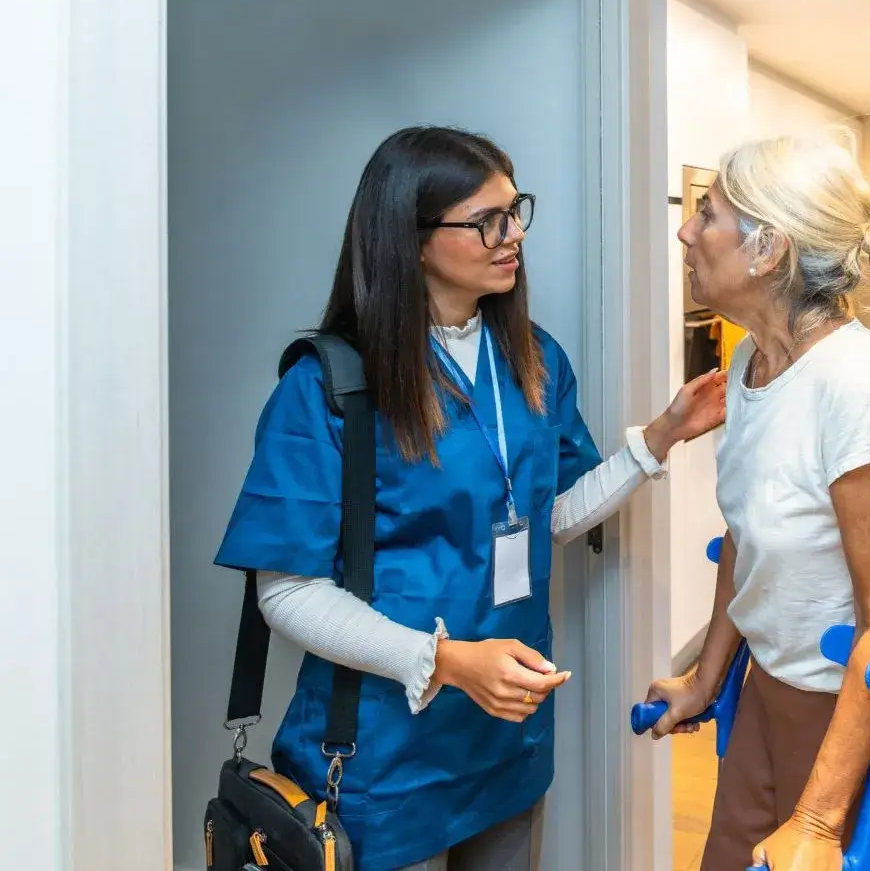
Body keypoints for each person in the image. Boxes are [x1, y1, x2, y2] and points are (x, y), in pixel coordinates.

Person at [213, 125, 727, 871]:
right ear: (412, 241)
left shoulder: (533, 358)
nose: (512, 234)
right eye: (487, 220)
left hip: (503, 740)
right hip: (385, 755)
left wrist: (660, 438)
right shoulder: (329, 385)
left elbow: (546, 515)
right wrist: (447, 661)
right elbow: (287, 591)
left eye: (515, 210)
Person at [644, 130, 870, 871]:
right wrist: (706, 679)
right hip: (772, 691)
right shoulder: (752, 361)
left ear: (767, 251)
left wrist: (819, 823)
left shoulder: (855, 383)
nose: (686, 229)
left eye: (708, 213)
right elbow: (744, 543)